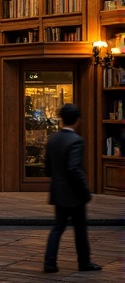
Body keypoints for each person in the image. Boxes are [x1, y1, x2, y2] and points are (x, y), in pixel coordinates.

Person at [43, 103, 100, 273]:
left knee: (58, 227)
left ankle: (49, 262)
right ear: (77, 120)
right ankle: (84, 262)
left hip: (58, 191)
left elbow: (47, 168)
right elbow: (74, 168)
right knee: (80, 229)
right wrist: (85, 190)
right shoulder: (76, 140)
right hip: (74, 193)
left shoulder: (53, 139)